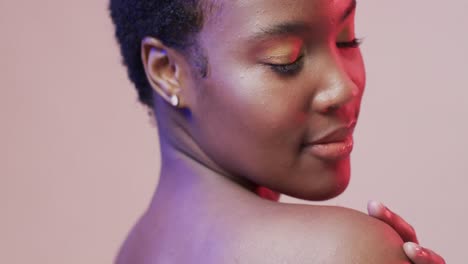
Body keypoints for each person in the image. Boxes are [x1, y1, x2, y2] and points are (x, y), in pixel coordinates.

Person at [109, 0, 445, 263]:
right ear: (167, 71)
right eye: (286, 58)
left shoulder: (133, 252)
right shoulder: (342, 252)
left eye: (346, 39)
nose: (344, 87)